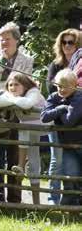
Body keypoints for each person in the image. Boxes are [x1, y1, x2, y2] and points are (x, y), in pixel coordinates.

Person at [0, 22, 33, 203]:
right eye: (1, 40)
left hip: (17, 112)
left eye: (7, 40)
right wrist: (2, 63)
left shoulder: (26, 59)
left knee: (14, 156)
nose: (3, 43)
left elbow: (24, 83)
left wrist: (5, 92)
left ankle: (14, 200)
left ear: (16, 41)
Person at [0, 73, 46, 204]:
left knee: (23, 128)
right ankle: (36, 204)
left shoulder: (33, 91)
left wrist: (11, 99)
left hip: (44, 126)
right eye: (10, 85)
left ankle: (21, 165)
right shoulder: (13, 94)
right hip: (29, 129)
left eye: (16, 84)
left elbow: (27, 104)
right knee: (34, 163)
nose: (12, 88)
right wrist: (12, 97)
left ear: (25, 85)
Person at [46, 29, 79, 204]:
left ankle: (71, 199)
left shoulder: (79, 65)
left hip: (75, 119)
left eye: (71, 42)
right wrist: (64, 104)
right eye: (64, 42)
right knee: (56, 159)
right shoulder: (55, 65)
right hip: (57, 118)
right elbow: (51, 90)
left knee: (71, 162)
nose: (67, 45)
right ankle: (53, 198)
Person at [40, 68, 82, 206]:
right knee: (71, 175)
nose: (61, 90)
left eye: (65, 86)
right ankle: (71, 209)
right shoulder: (54, 97)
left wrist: (58, 112)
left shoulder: (79, 97)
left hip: (79, 142)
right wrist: (61, 108)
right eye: (59, 86)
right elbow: (44, 117)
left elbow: (70, 121)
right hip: (68, 145)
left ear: (75, 86)